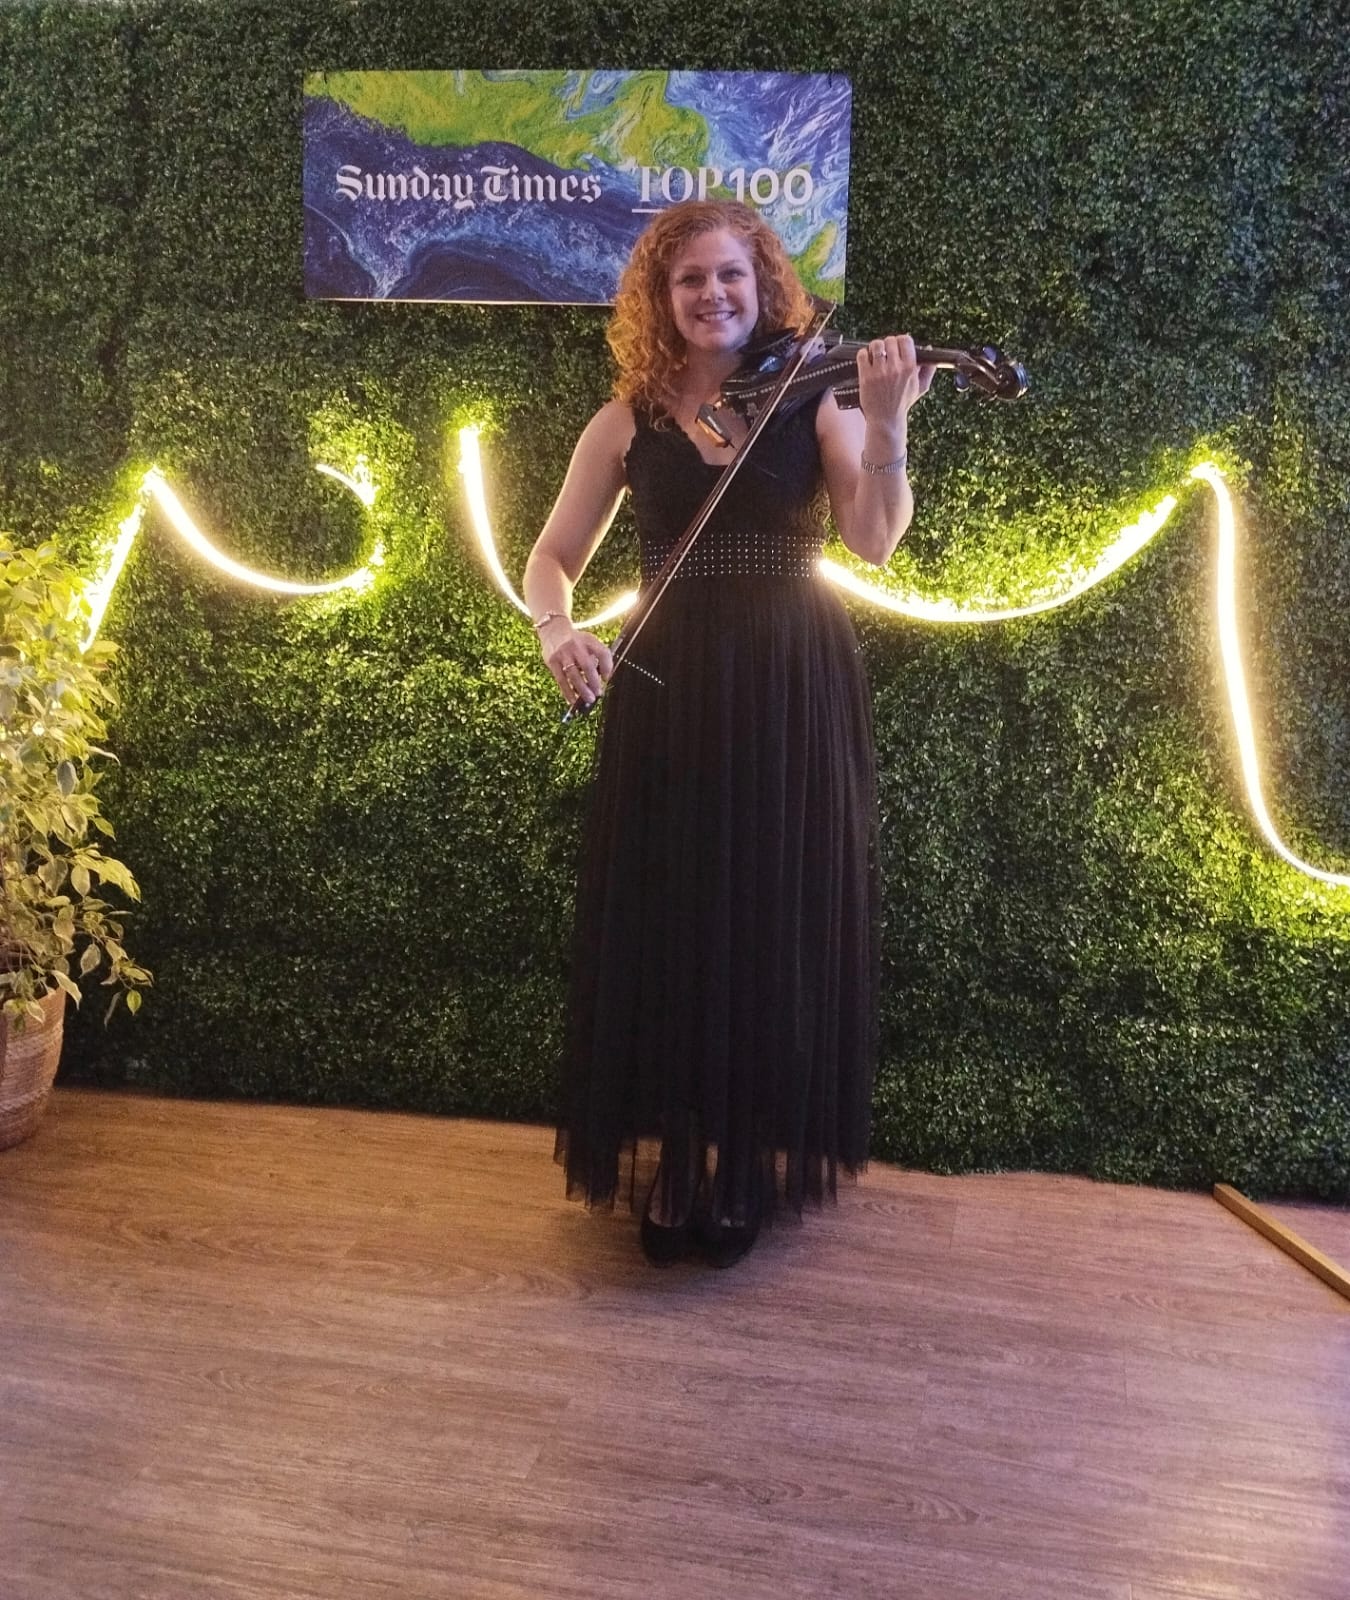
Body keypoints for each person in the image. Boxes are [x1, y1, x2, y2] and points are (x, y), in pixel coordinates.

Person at [523, 199, 932, 1267]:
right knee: (673, 912)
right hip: (670, 685)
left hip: (789, 680)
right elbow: (551, 557)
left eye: (732, 276)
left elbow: (874, 539)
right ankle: (679, 1154)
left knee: (768, 912)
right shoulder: (627, 419)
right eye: (691, 278)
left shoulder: (816, 401)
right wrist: (558, 629)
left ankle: (743, 1154)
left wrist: (888, 425)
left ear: (765, 289)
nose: (713, 294)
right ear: (661, 298)